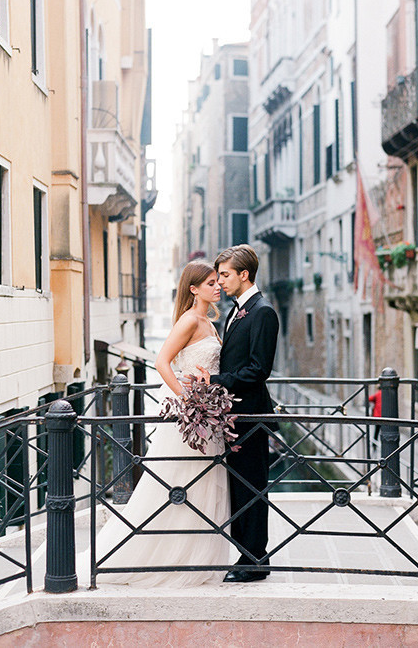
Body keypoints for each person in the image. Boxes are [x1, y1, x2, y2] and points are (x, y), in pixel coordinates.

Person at [88, 260, 229, 587]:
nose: (217, 287)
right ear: (194, 289)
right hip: (192, 414)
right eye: (210, 283)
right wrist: (187, 398)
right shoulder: (189, 320)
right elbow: (162, 362)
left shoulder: (209, 322)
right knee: (180, 483)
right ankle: (167, 556)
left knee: (203, 484)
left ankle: (197, 557)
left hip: (207, 415)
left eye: (217, 282)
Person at [196, 244, 279, 583]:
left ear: (244, 275)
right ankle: (246, 556)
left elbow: (259, 370)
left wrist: (215, 381)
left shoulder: (263, 312)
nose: (220, 281)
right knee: (239, 487)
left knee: (252, 488)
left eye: (226, 275)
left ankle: (256, 561)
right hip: (234, 417)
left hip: (251, 417)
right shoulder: (238, 310)